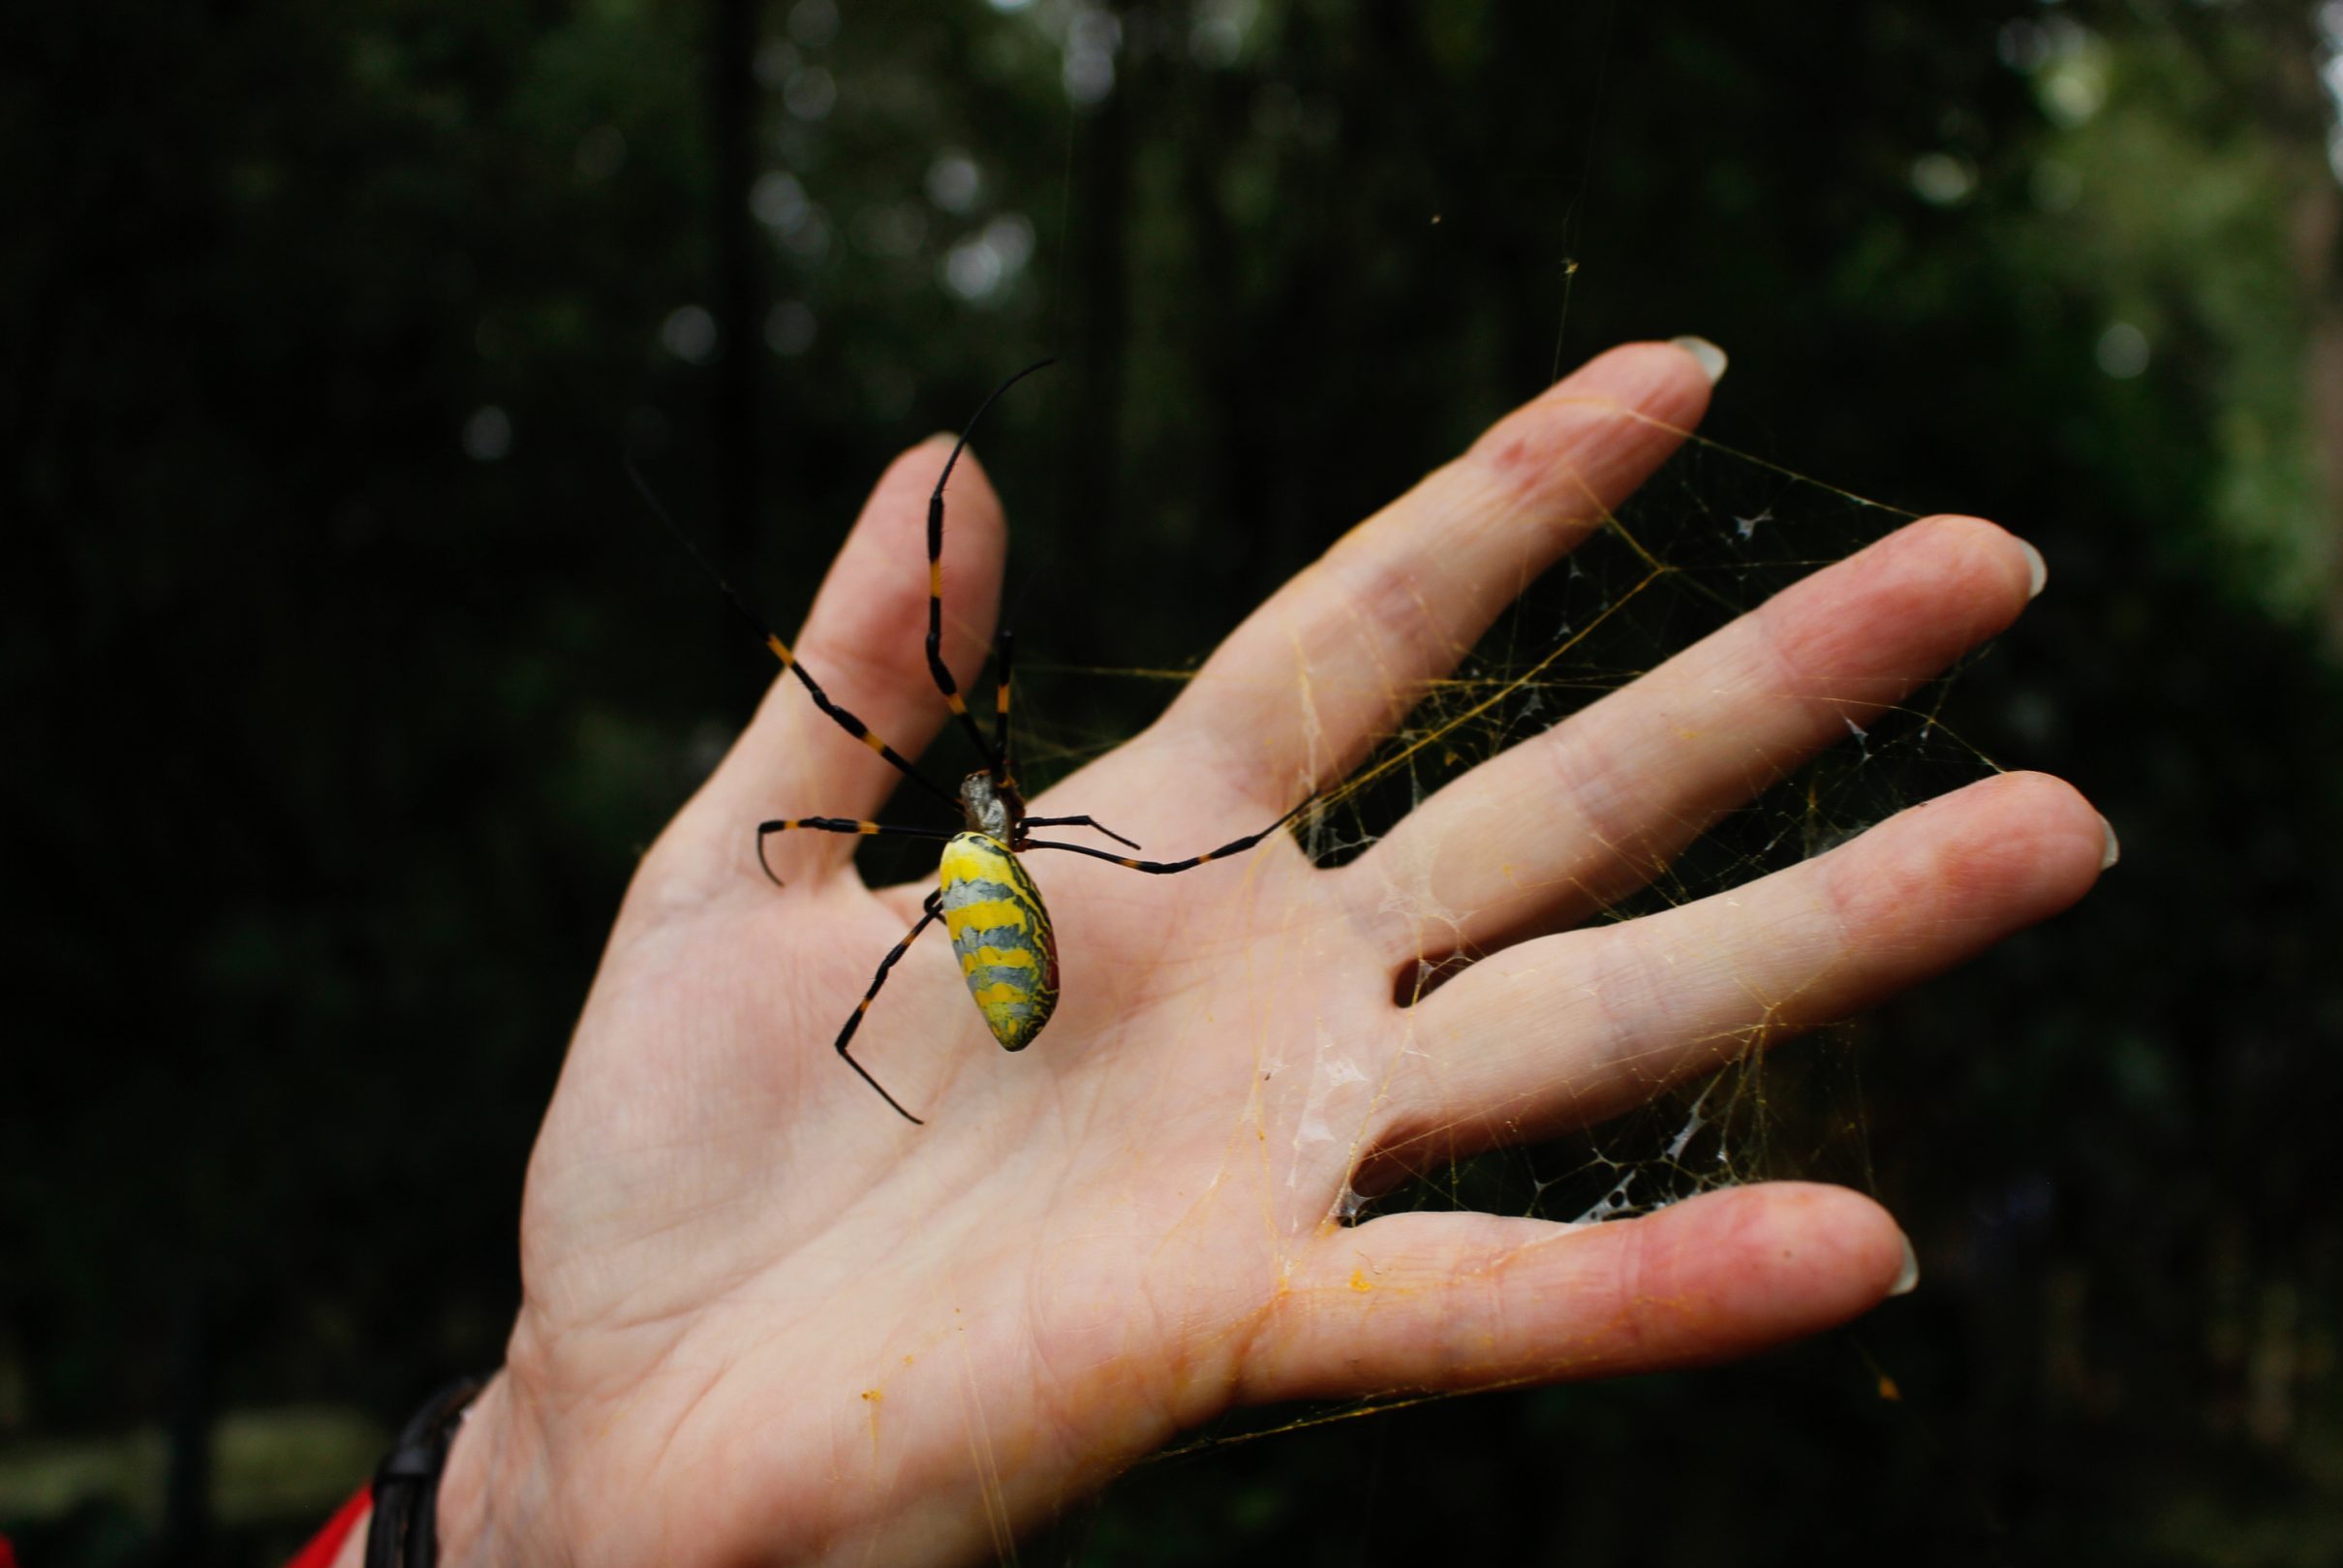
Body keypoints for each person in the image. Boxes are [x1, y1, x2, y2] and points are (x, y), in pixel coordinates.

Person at [307, 339, 2111, 1566]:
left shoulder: (983, 860)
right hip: (999, 937)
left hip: (987, 944)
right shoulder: (1011, 843)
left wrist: (502, 1526)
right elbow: (1054, 826)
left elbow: (1059, 825)